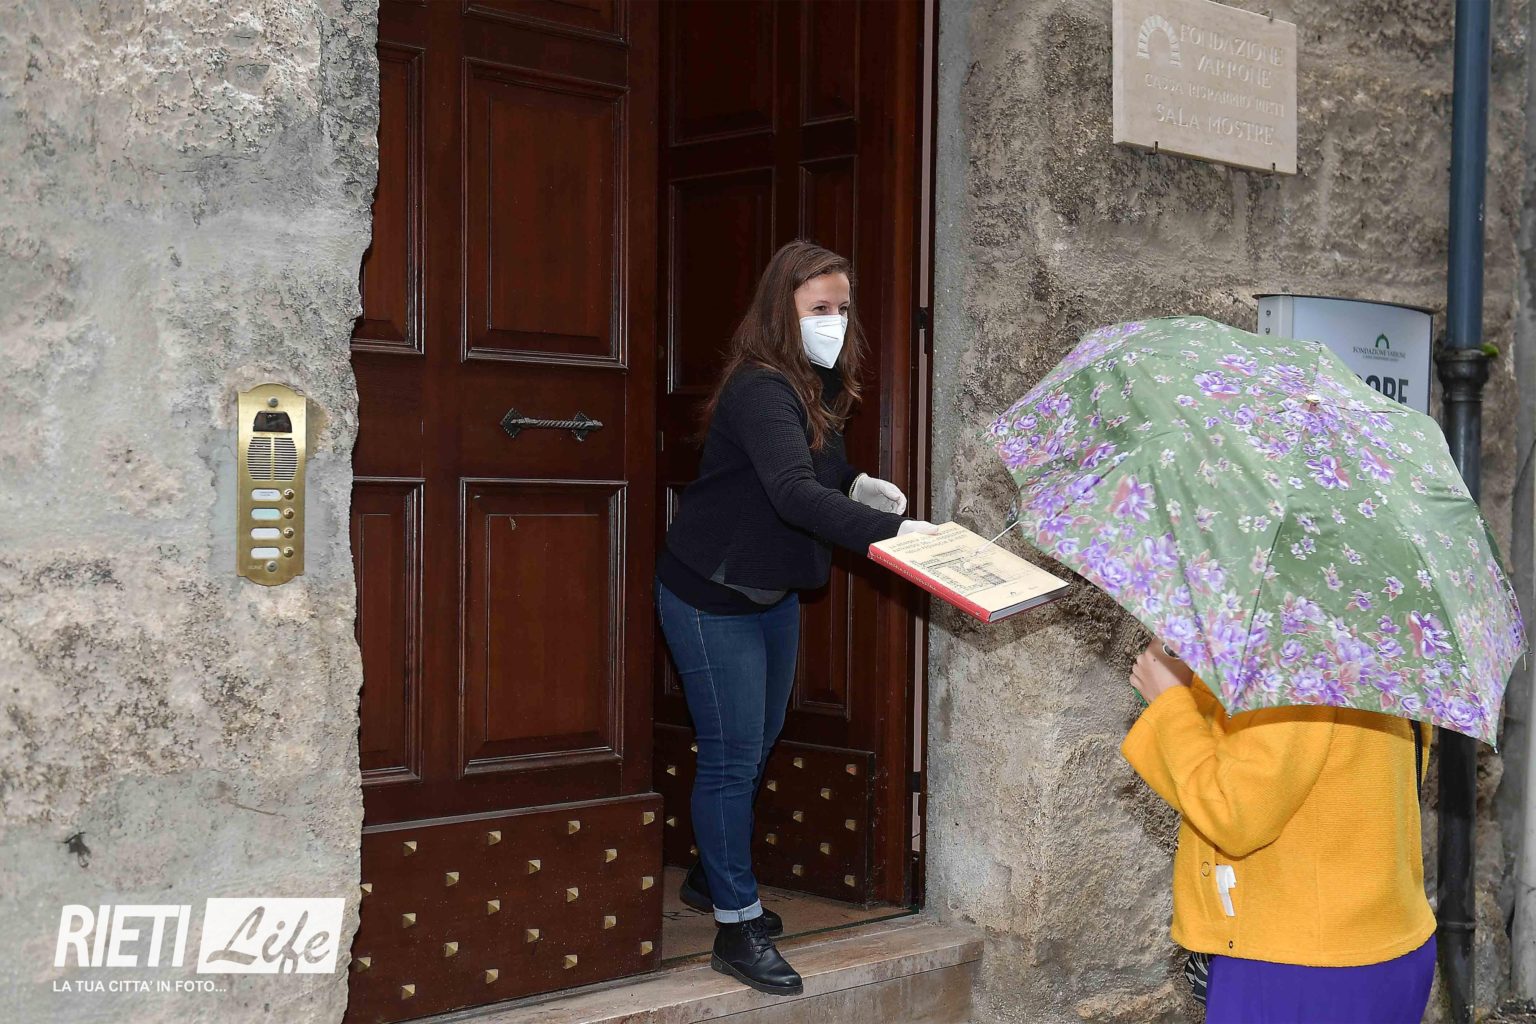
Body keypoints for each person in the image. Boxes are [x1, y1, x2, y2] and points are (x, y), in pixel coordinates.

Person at [655, 240, 937, 996]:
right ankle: (736, 926)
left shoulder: (815, 382)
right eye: (819, 308)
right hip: (711, 592)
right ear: (781, 310)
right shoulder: (760, 387)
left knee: (758, 741)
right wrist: (895, 535)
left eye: (842, 308)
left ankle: (709, 880)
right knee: (732, 756)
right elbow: (789, 491)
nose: (833, 321)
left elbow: (817, 471)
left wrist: (858, 482)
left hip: (771, 589)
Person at [1122, 641, 1437, 1023]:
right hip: (1388, 945)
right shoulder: (1379, 643)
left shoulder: (1294, 660)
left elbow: (1233, 814)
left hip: (1299, 966)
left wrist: (1169, 703)